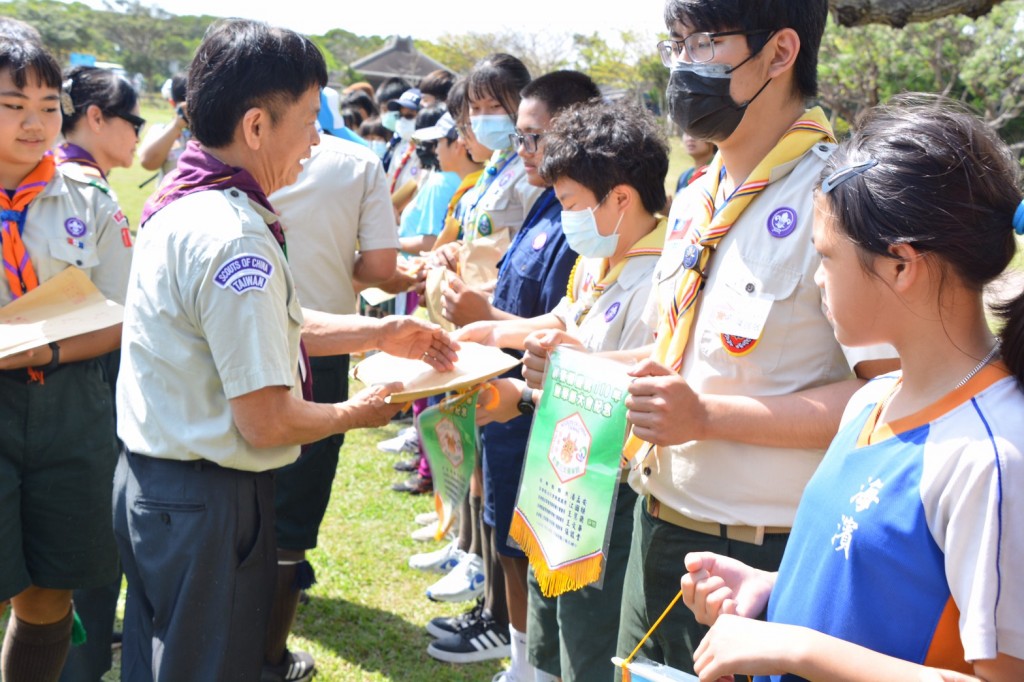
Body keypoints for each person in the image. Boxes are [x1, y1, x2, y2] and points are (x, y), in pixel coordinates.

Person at [112, 20, 456, 682]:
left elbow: (264, 327)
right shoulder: (236, 237)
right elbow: (266, 419)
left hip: (154, 486)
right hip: (206, 502)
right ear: (257, 127)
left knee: (164, 660)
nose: (315, 141)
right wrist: (356, 412)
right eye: (306, 120)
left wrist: (377, 332)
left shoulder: (182, 200)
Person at [680, 94, 1024, 682]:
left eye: (827, 257)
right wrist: (771, 590)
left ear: (900, 265)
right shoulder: (872, 398)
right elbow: (874, 582)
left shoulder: (988, 455)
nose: (816, 277)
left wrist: (795, 649)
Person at [613, 1, 898, 675]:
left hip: (765, 558)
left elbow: (890, 399)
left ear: (779, 53)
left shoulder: (841, 199)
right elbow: (676, 355)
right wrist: (580, 367)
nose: (683, 64)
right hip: (655, 524)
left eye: (705, 42)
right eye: (675, 43)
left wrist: (707, 418)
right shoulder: (693, 197)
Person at [460, 97, 669, 682]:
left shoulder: (662, 277)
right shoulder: (597, 259)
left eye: (571, 204)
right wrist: (494, 331)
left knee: (588, 638)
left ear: (621, 199)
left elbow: (629, 376)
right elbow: (564, 323)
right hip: (560, 474)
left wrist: (532, 389)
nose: (565, 217)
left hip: (608, 489)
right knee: (550, 625)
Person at [424, 70, 599, 682]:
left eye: (533, 137)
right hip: (505, 401)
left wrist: (489, 318)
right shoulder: (548, 202)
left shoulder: (580, 218)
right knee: (503, 531)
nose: (521, 151)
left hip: (530, 409)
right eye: (519, 138)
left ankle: (529, 662)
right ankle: (521, 656)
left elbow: (560, 326)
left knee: (528, 546)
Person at [0, 36, 133, 682]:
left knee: (53, 587)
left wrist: (44, 347)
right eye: (12, 104)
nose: (34, 122)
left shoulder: (91, 200)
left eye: (49, 107)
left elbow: (120, 315)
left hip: (71, 403)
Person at [264, 112, 399, 680]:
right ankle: (268, 653)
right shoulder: (360, 163)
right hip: (321, 352)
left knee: (231, 489)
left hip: (230, 346)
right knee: (293, 509)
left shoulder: (214, 161)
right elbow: (379, 267)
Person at [54, 63, 142, 682]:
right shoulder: (89, 196)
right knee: (87, 538)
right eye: (132, 120)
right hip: (86, 388)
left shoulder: (47, 183)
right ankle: (77, 658)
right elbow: (123, 312)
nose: (138, 133)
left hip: (52, 385)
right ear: (95, 118)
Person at [137, 72, 188, 180]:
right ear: (172, 103)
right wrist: (177, 126)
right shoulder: (161, 130)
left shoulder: (214, 131)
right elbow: (148, 163)